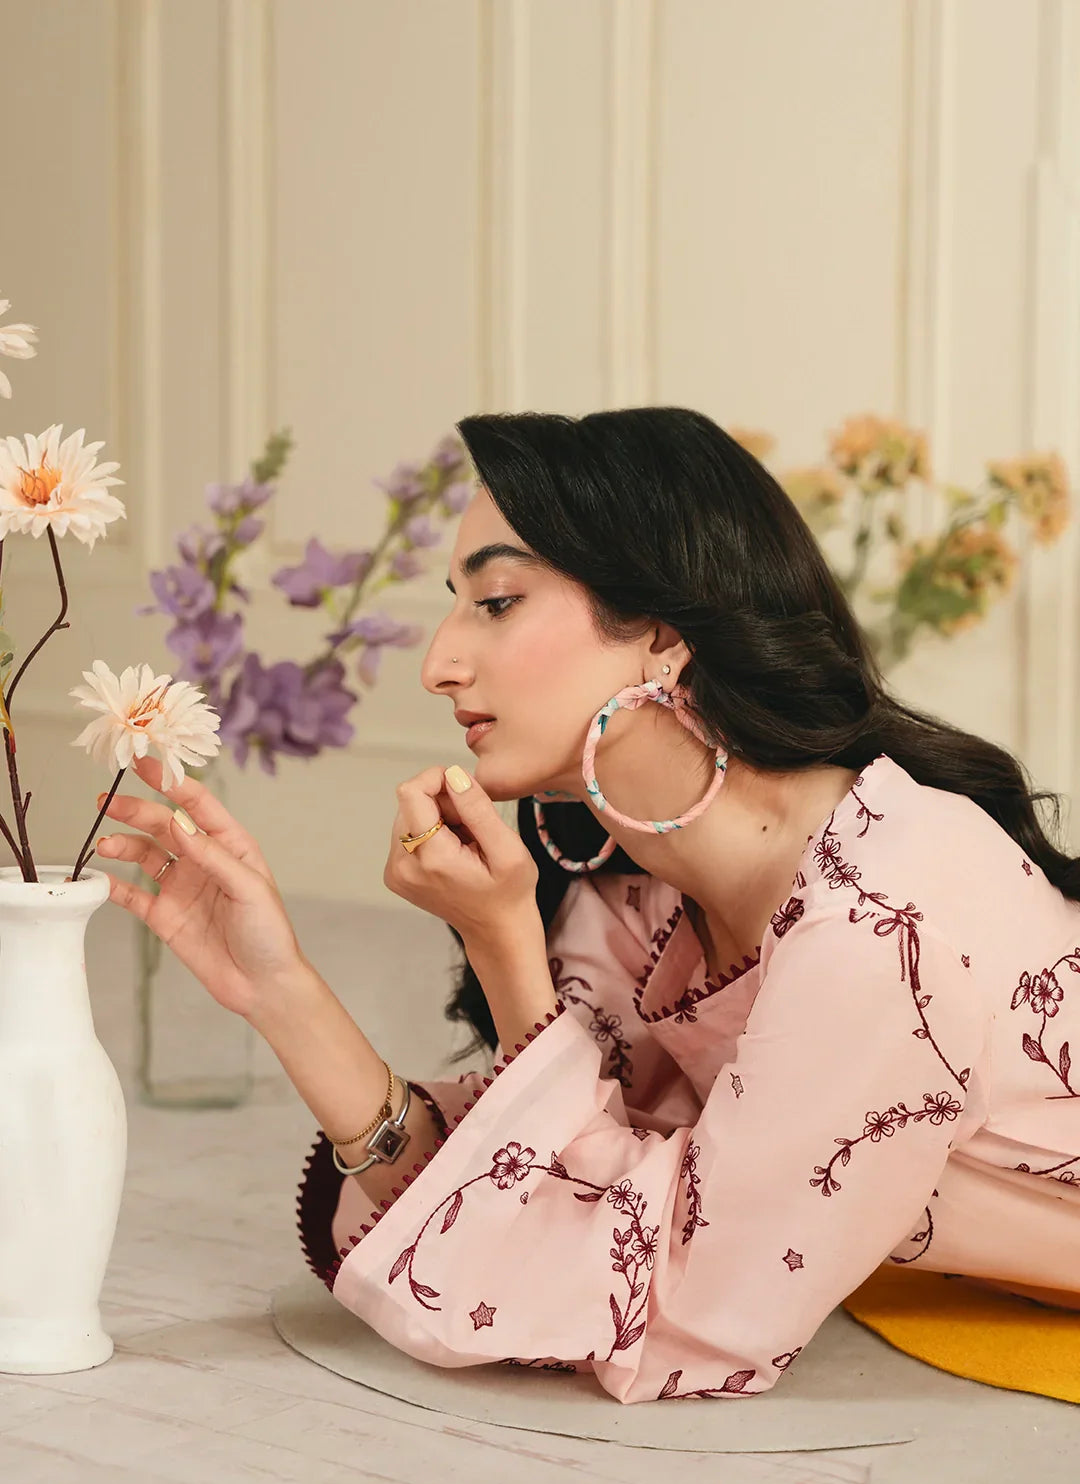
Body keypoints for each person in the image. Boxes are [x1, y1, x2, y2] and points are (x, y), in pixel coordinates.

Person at [98, 407, 1080, 1405]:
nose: (438, 664)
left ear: (661, 636)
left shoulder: (879, 926)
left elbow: (684, 1323)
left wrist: (504, 945)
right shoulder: (636, 898)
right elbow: (538, 1193)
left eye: (496, 602)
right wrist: (281, 993)